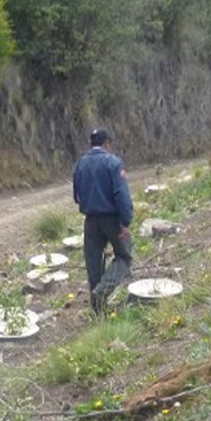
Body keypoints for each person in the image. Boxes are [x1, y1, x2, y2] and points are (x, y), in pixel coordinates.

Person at [73, 128, 133, 315]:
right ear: (107, 143)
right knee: (124, 256)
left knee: (94, 263)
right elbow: (121, 195)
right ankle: (102, 292)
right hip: (112, 219)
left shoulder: (80, 164)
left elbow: (76, 196)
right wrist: (125, 222)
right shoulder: (113, 162)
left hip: (90, 220)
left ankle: (98, 310)